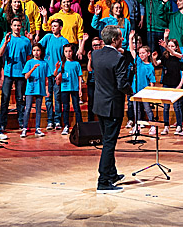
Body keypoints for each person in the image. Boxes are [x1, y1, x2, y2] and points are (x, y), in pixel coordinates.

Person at [92, 25, 134, 193]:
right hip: (112, 106)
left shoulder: (95, 54)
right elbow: (122, 84)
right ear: (115, 40)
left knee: (107, 139)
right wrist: (132, 91)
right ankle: (103, 181)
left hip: (99, 104)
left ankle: (111, 173)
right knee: (109, 143)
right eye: (121, 38)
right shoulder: (118, 59)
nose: (122, 40)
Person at [0, 18, 32, 139]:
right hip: (8, 72)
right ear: (11, 27)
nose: (17, 28)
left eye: (19, 26)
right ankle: (2, 123)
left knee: (20, 99)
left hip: (21, 73)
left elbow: (28, 57)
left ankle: (22, 122)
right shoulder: (7, 39)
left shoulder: (25, 41)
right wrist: (6, 43)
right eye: (15, 25)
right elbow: (0, 54)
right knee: (5, 98)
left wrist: (28, 72)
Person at [39, 18, 70, 131]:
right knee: (48, 98)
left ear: (60, 27)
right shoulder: (48, 37)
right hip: (47, 73)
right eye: (52, 26)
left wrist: (61, 72)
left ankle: (57, 120)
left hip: (57, 74)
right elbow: (38, 46)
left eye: (55, 26)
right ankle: (50, 121)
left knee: (57, 98)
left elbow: (65, 58)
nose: (53, 28)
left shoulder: (64, 41)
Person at [154, 37, 183, 135]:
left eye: (172, 46)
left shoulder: (180, 57)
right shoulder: (165, 56)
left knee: (177, 106)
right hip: (167, 84)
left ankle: (179, 125)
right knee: (166, 107)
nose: (170, 48)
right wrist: (154, 59)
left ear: (176, 47)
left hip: (176, 84)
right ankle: (166, 126)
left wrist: (180, 85)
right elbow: (156, 64)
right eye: (169, 46)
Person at [57, 43, 85, 135]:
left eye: (70, 51)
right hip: (64, 88)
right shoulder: (61, 64)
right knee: (65, 107)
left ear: (73, 52)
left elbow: (80, 76)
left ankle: (79, 125)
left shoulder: (76, 64)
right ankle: (66, 126)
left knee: (76, 107)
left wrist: (80, 89)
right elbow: (57, 77)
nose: (68, 53)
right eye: (66, 51)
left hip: (74, 88)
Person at [21, 44, 47, 137]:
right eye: (34, 50)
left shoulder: (44, 63)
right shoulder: (29, 62)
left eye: (38, 50)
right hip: (30, 88)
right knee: (27, 108)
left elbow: (47, 77)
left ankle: (37, 128)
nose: (36, 52)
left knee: (38, 109)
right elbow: (26, 76)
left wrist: (46, 89)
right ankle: (24, 128)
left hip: (40, 88)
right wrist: (33, 69)